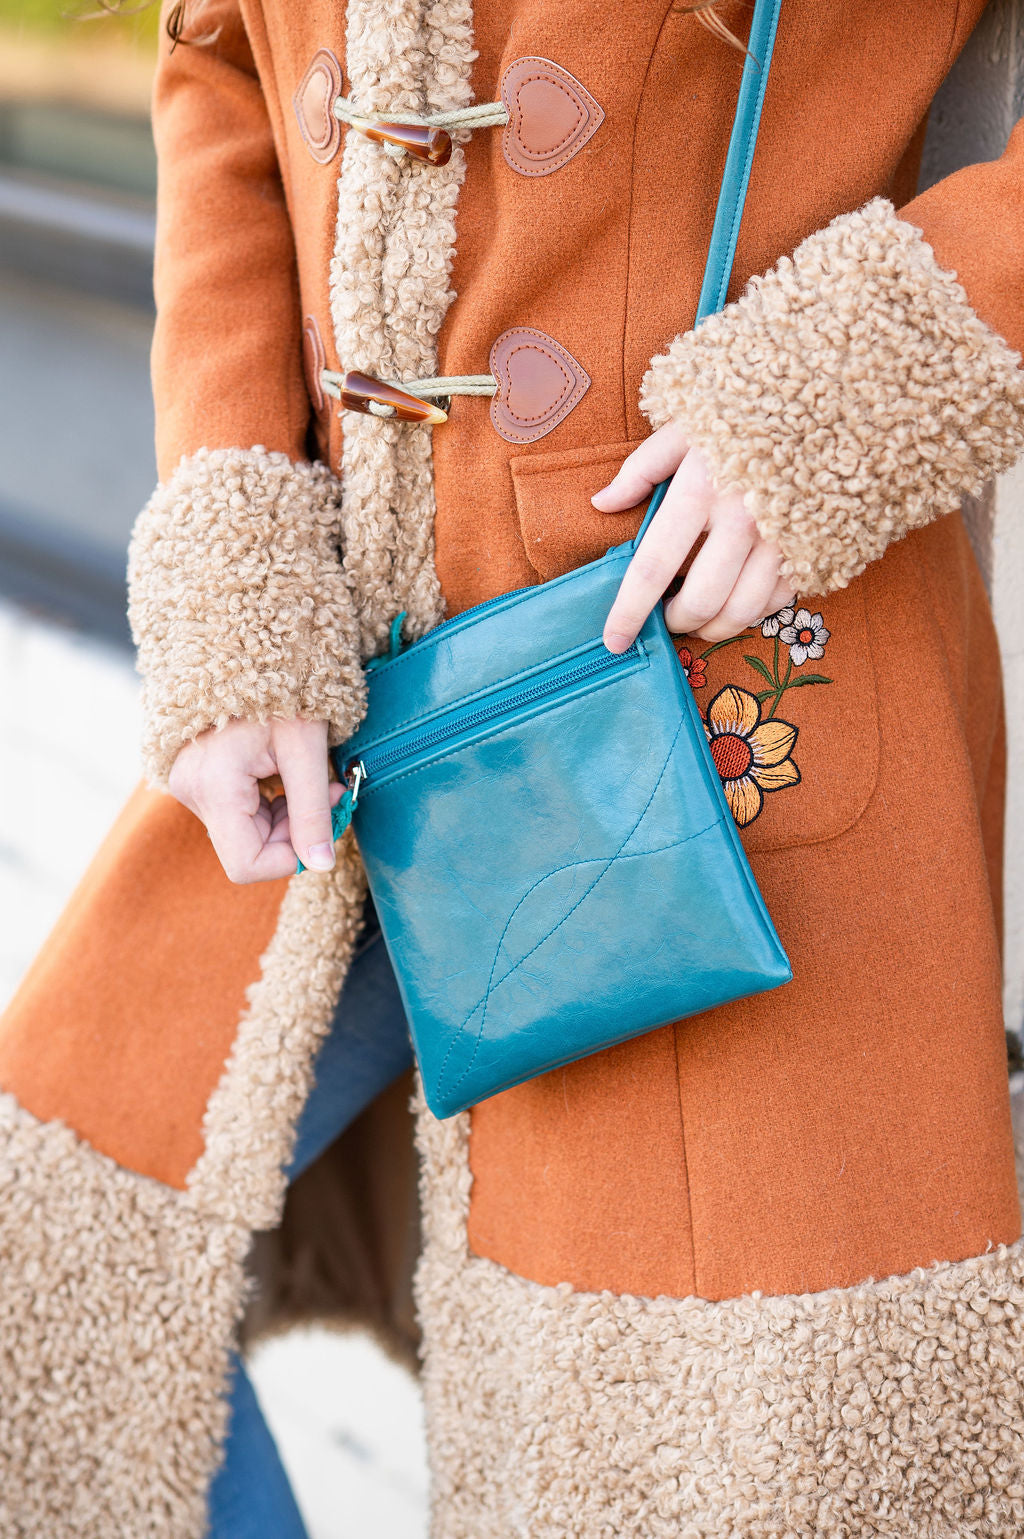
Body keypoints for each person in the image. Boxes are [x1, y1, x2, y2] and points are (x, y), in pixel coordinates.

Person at [1, 0, 1023, 1533]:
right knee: (44, 1287)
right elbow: (216, 56)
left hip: (709, 719)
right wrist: (230, 527)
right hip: (328, 698)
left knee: (675, 1462)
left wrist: (853, 380)